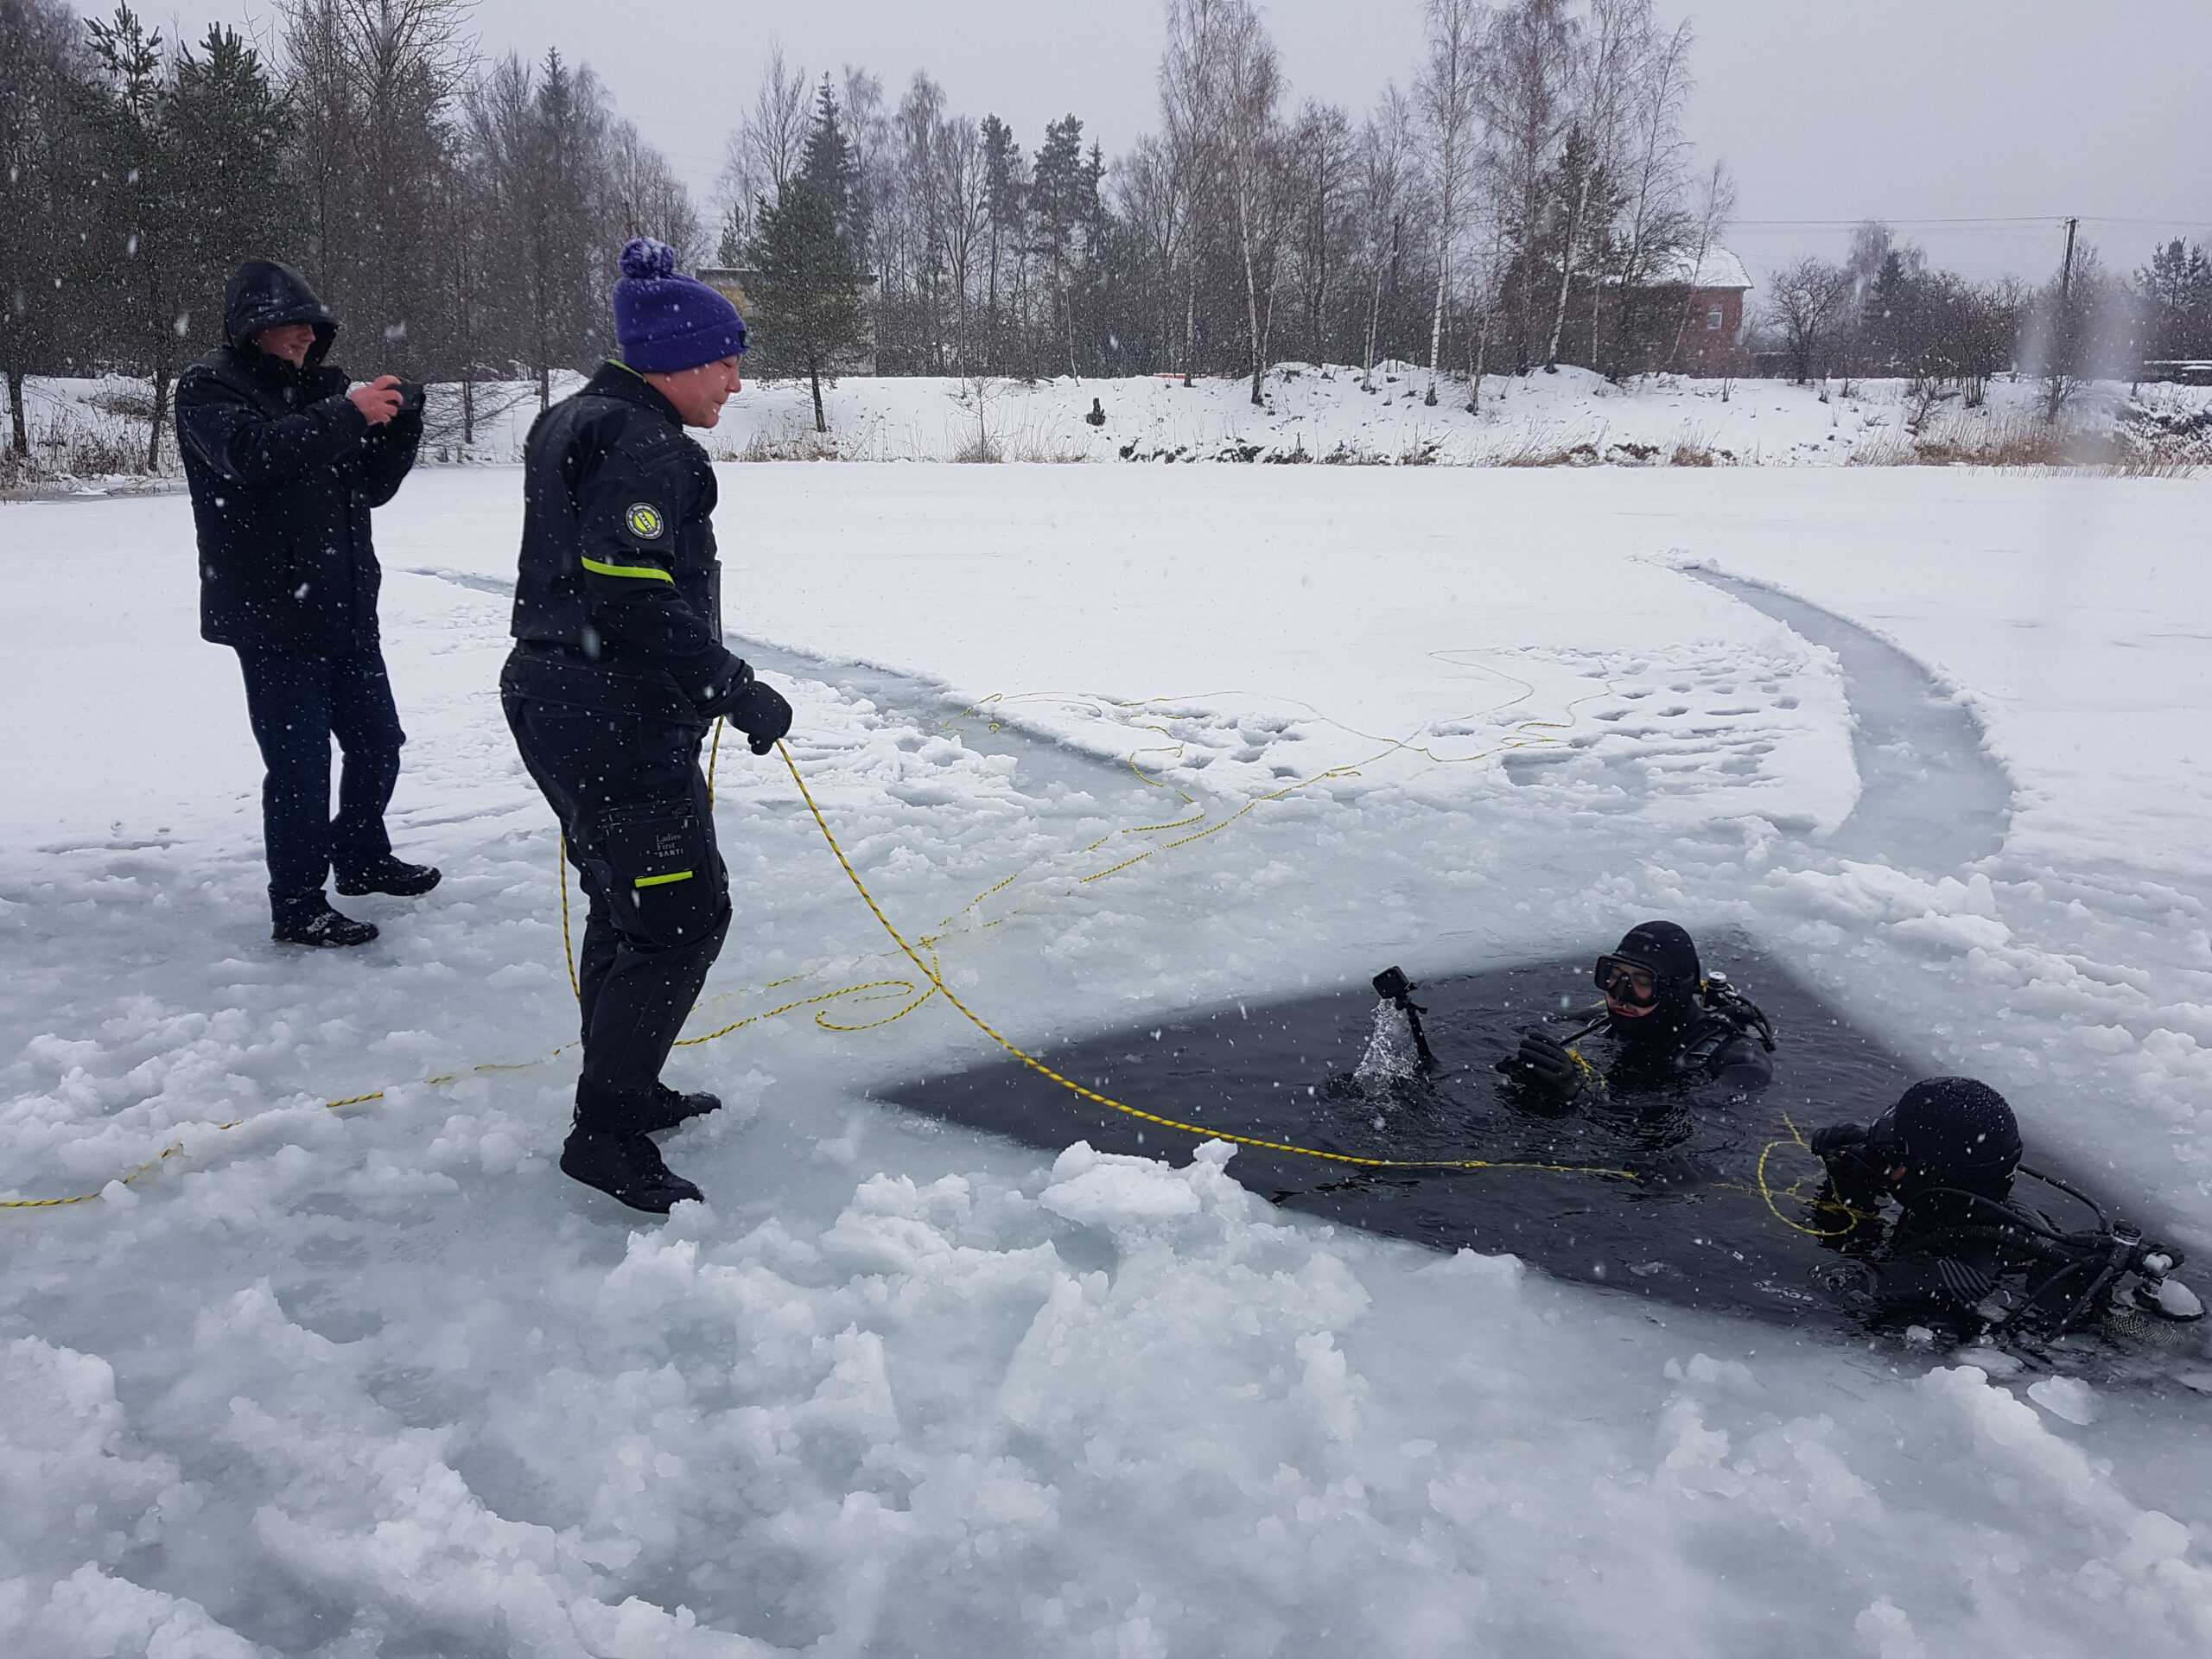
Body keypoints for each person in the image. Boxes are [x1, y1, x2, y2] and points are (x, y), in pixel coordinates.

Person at [502, 238, 791, 1215]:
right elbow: (629, 591)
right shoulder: (642, 441)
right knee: (679, 918)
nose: (736, 383)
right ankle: (607, 1129)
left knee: (629, 897)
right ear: (674, 356)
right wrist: (731, 684)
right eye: (726, 361)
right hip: (607, 706)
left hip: (564, 694)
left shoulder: (576, 418)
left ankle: (624, 1085)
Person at [177, 258, 438, 948]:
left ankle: (359, 856)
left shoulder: (322, 393)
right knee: (298, 767)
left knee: (378, 743)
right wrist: (346, 412)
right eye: (284, 327)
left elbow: (369, 488)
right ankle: (296, 902)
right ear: (248, 331)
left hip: (346, 604)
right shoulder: (210, 389)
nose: (299, 338)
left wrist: (399, 424)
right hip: (272, 615)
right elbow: (253, 456)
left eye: (308, 328)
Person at [1808, 1078, 2201, 1340]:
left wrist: (1834, 1206)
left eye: (1894, 1153)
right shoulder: (2010, 1221)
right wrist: (1857, 1179)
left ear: (1929, 1172)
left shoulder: (1944, 1273)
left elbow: (1832, 1286)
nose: (1886, 1162)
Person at [1497, 920, 1774, 1111]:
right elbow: (1520, 1028)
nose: (1620, 993)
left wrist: (1581, 1097)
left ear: (1675, 991)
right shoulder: (1600, 1023)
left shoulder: (1740, 1060)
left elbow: (1703, 1113)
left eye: (1642, 982)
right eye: (1614, 975)